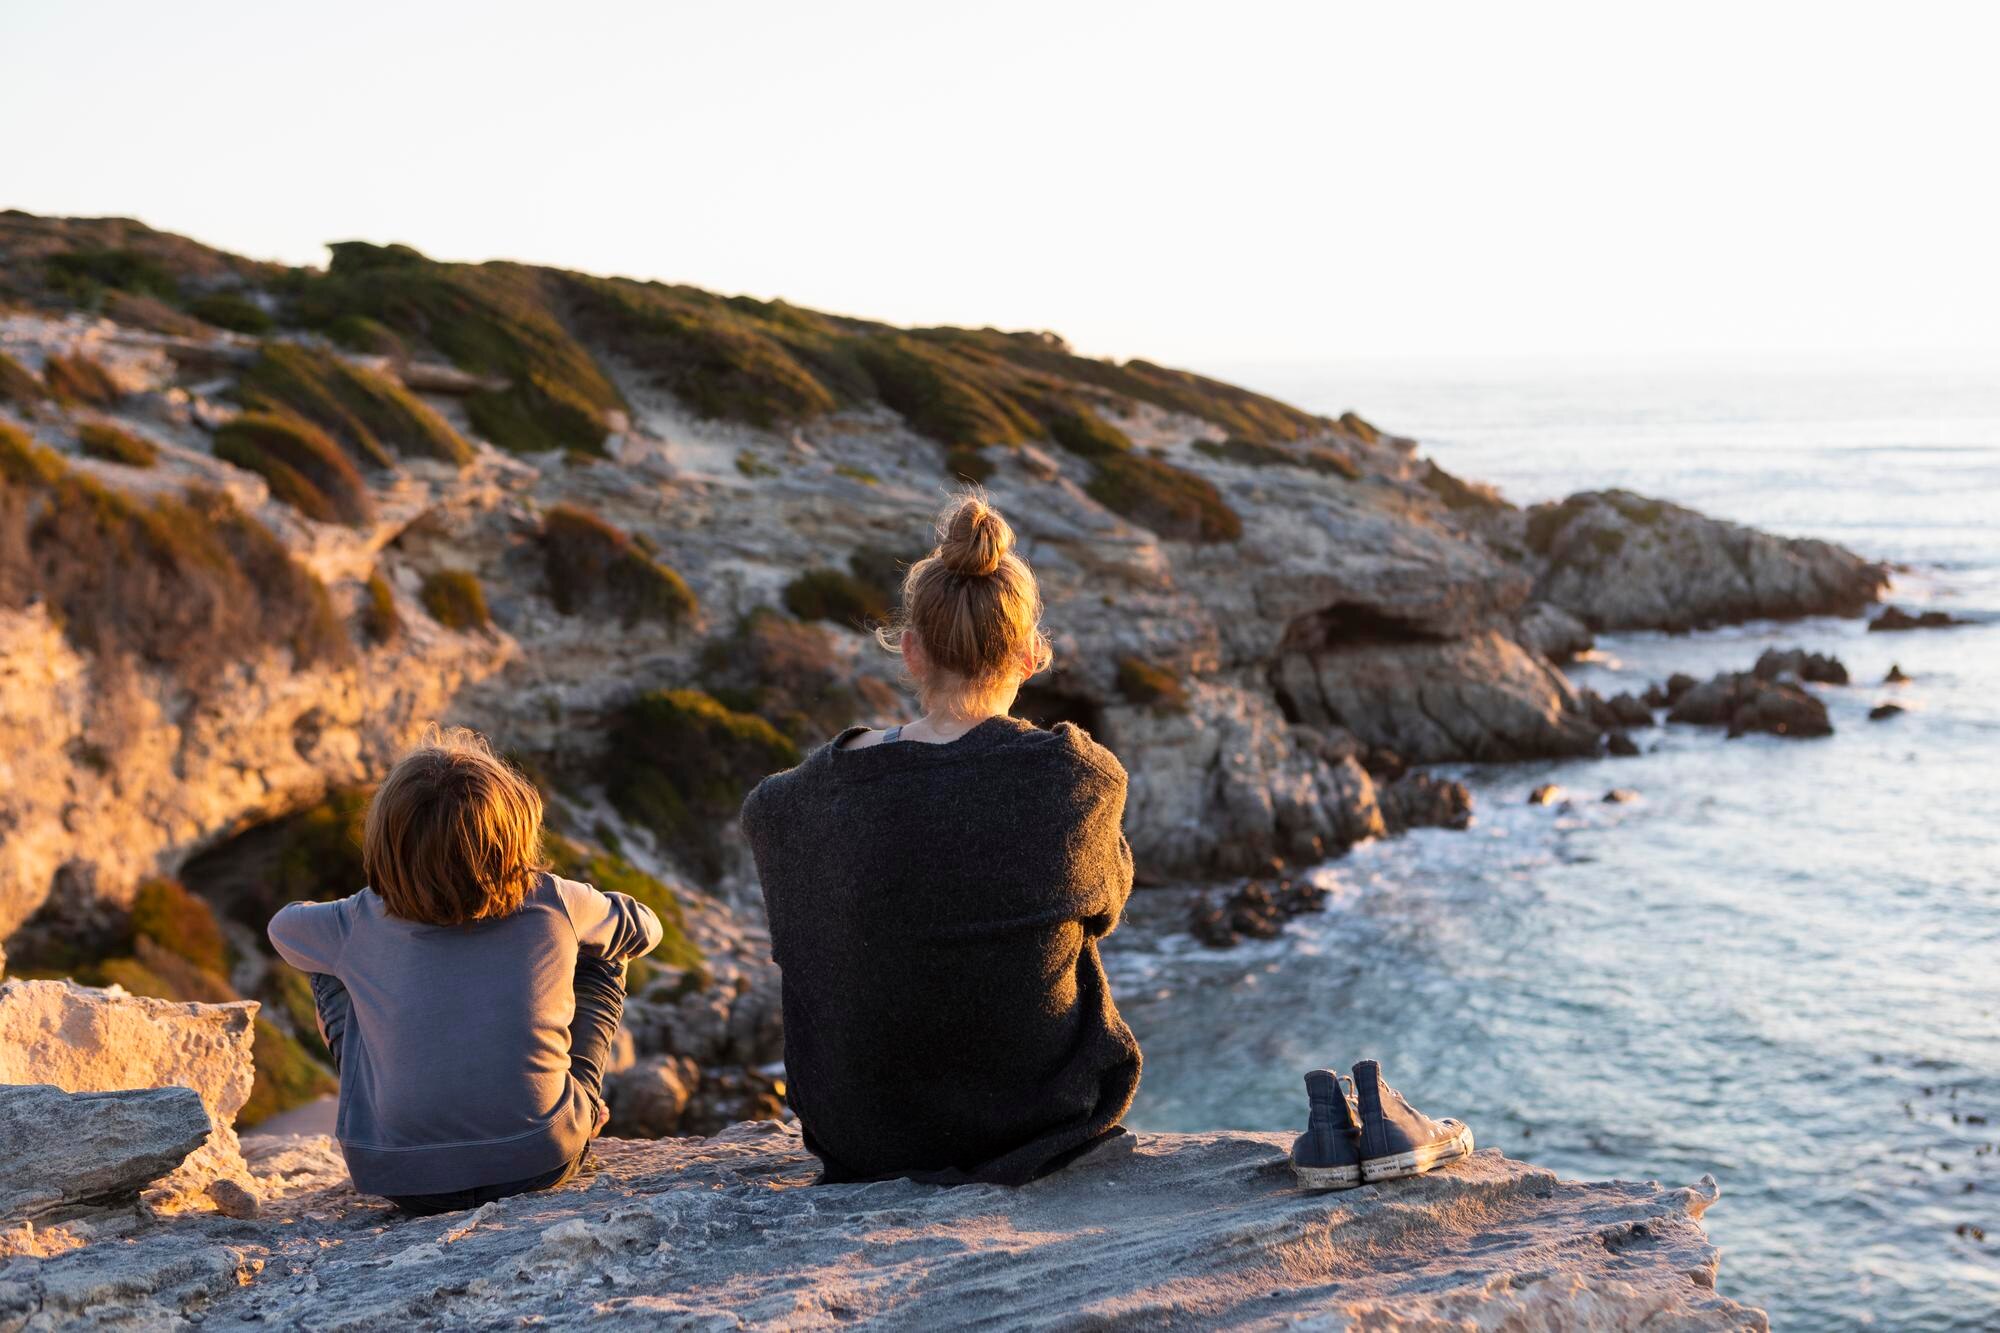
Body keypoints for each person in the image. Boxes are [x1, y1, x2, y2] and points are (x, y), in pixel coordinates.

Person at [742, 491, 1142, 1186]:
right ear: (1027, 654)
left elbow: (767, 822)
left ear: (911, 651)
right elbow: (1105, 907)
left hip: (861, 1138)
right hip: (1039, 1123)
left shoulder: (789, 802)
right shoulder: (1076, 777)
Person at [267, 726, 661, 1215]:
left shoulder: (353, 921)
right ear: (514, 834)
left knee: (327, 964)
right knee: (605, 952)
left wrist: (370, 914)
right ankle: (580, 1103)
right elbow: (648, 930)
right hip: (539, 1157)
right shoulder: (553, 899)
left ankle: (384, 1110)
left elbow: (283, 929)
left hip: (399, 1174)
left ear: (387, 839)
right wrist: (578, 917)